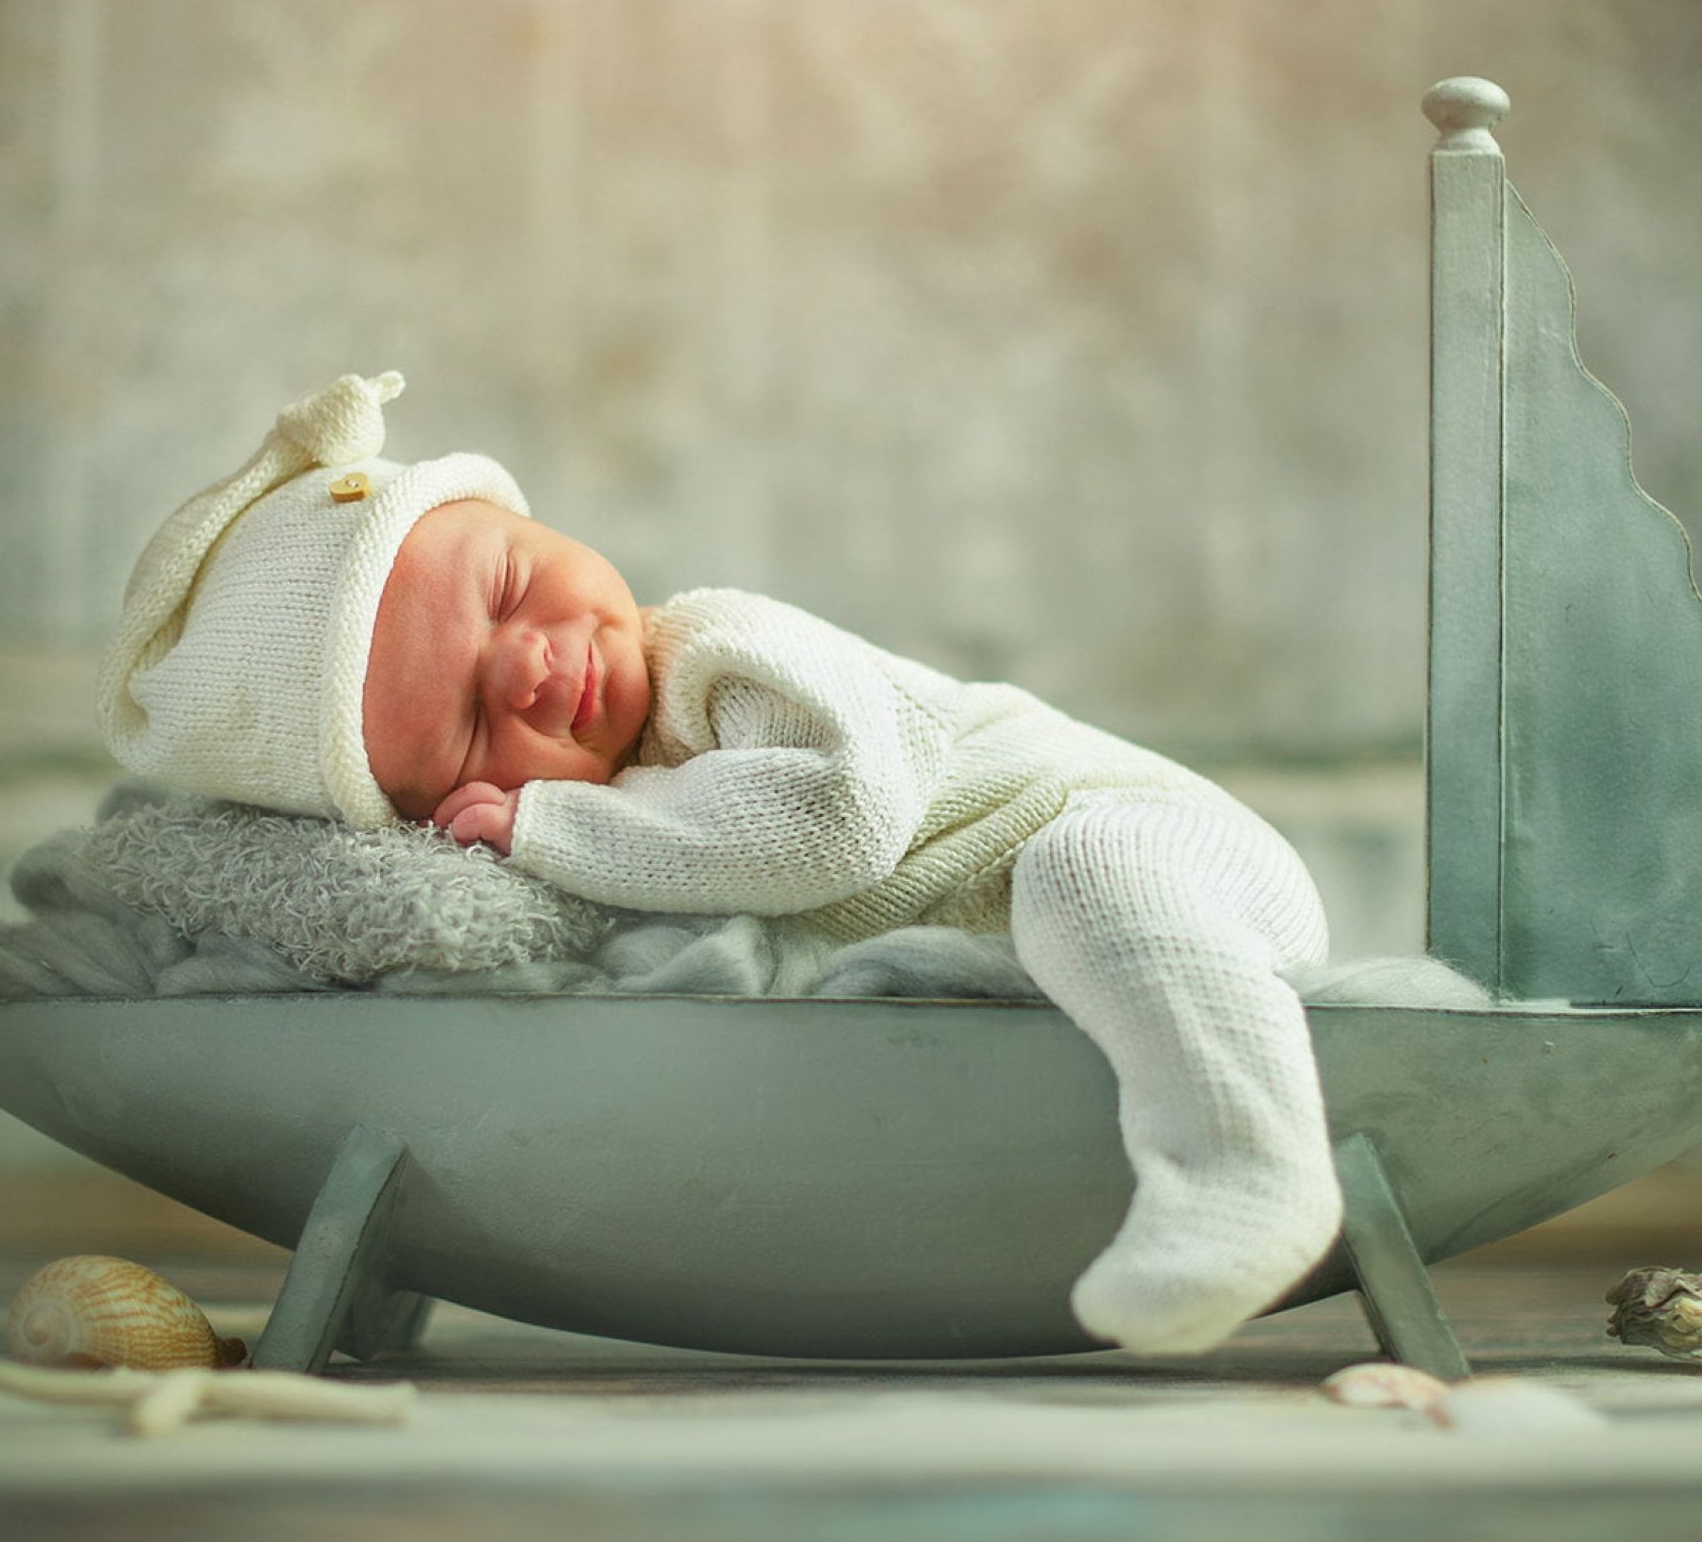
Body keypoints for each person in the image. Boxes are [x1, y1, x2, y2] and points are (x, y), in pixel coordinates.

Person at [99, 372, 1340, 1353]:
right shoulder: (634, 785)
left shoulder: (722, 655)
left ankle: (1248, 1169)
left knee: (1084, 865)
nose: (525, 667)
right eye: (476, 729)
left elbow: (832, 822)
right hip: (1030, 948)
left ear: (539, 525)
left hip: (1177, 861)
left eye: (508, 590)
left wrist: (552, 829)